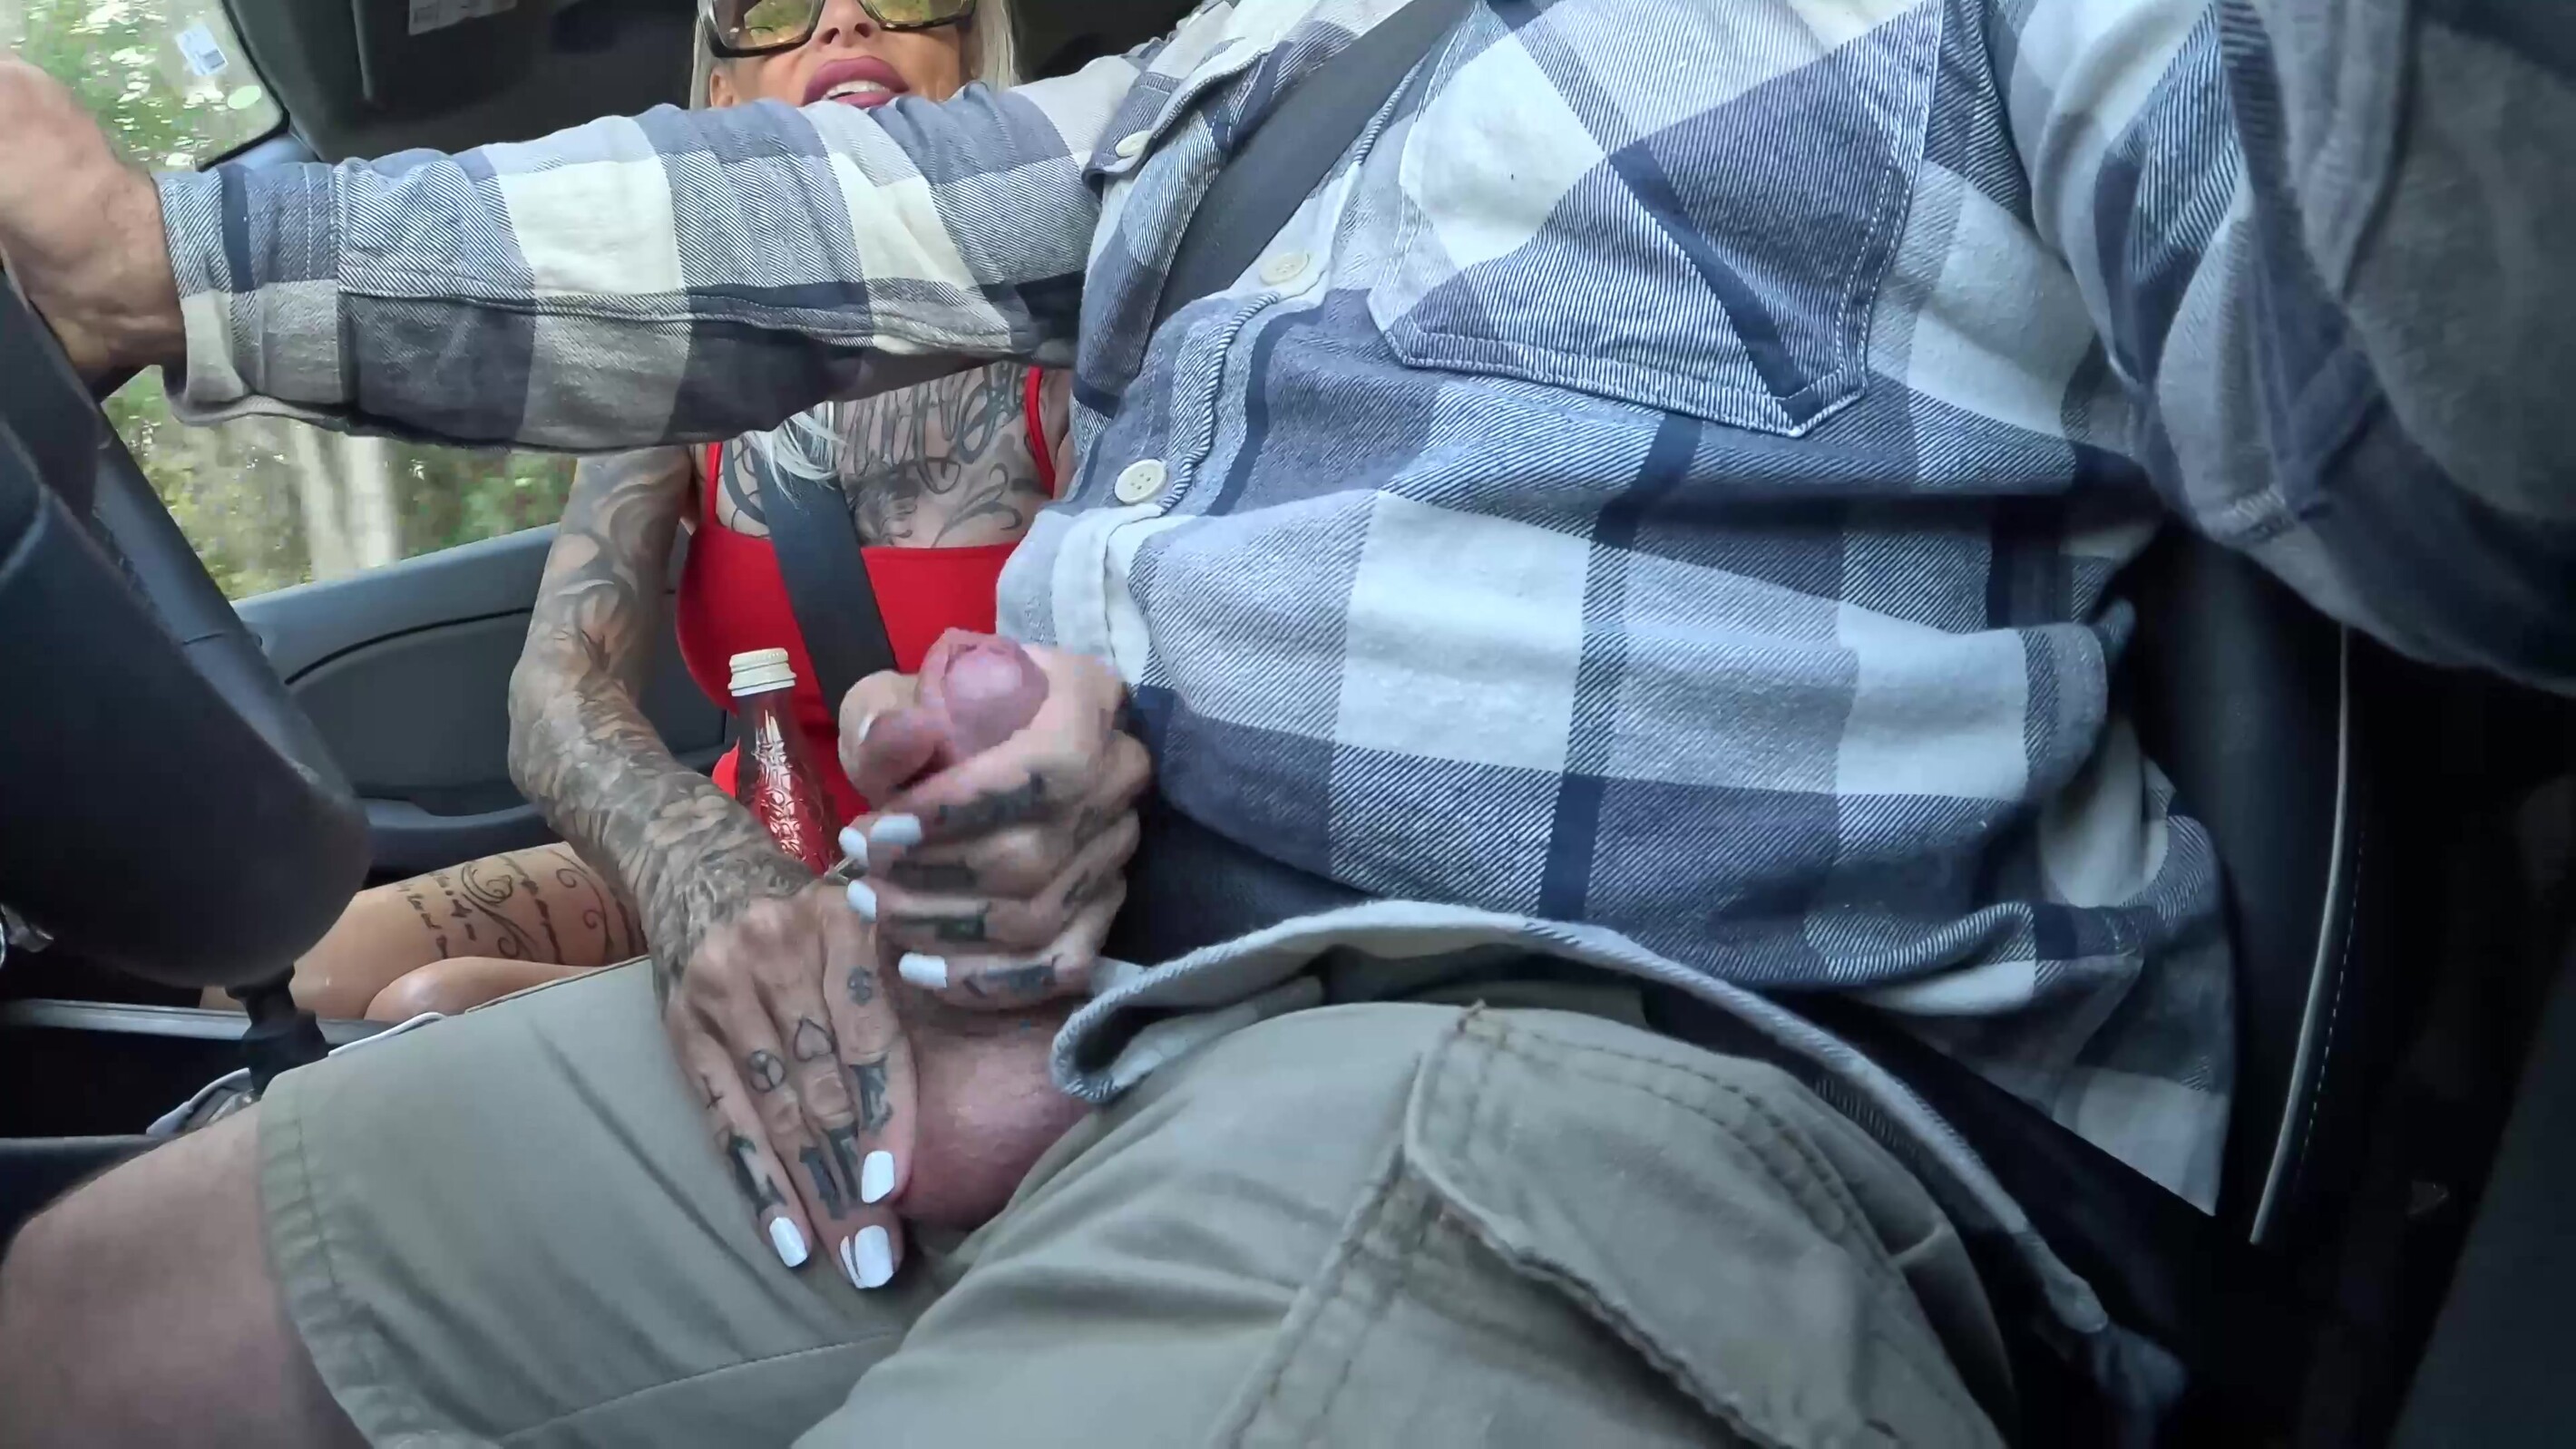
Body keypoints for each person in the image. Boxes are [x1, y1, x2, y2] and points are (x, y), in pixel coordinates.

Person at [0, 0, 2570, 1443]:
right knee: (86, 1320)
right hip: (1040, 1014)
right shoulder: (1252, 64)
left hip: (1560, 1060)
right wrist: (161, 258)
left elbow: (2473, 462)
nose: (840, 38)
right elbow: (782, 223)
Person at [214, 0, 1078, 1024]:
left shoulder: (1073, 359)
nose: (844, 19)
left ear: (975, 63)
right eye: (775, 7)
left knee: (436, 1002)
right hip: (739, 831)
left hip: (978, 887)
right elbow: (560, 685)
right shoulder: (687, 362)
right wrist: (697, 862)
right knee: (272, 969)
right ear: (723, 94)